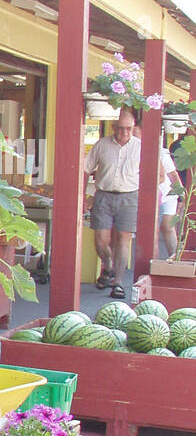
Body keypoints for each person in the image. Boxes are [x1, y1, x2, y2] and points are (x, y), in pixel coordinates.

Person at [83, 106, 140, 299]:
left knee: (124, 238)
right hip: (104, 195)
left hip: (129, 196)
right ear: (114, 126)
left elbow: (156, 174)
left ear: (133, 127)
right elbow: (86, 169)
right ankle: (108, 265)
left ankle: (118, 283)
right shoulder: (102, 145)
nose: (125, 132)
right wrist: (82, 197)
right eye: (121, 128)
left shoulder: (140, 147)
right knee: (100, 239)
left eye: (129, 128)